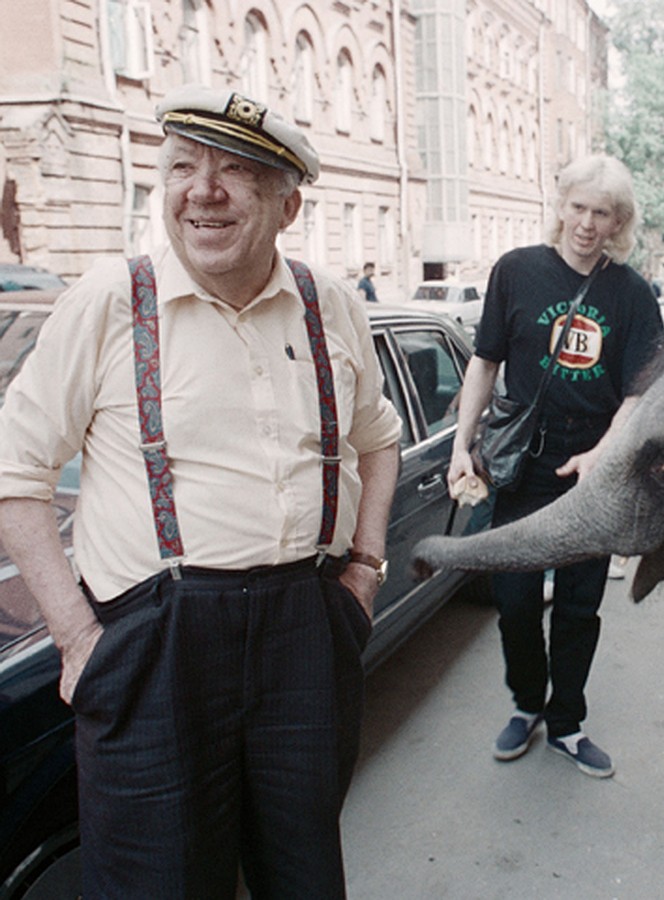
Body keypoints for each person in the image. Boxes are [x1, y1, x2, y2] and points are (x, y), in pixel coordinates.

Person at [0, 85, 402, 898]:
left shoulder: (329, 303)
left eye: (237, 172)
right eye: (183, 166)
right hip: (157, 643)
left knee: (303, 871)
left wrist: (363, 568)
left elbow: (380, 438)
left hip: (305, 629)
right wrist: (78, 639)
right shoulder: (112, 300)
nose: (203, 190)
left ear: (287, 206)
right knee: (160, 882)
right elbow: (15, 475)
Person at [449, 154, 664, 778]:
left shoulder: (630, 293)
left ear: (618, 221)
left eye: (602, 213)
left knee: (578, 604)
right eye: (577, 207)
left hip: (591, 471)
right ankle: (527, 704)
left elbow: (638, 391)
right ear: (560, 205)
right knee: (514, 599)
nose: (586, 223)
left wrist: (602, 452)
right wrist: (464, 446)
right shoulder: (516, 272)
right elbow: (485, 363)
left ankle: (567, 721)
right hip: (523, 462)